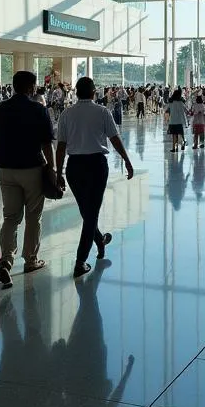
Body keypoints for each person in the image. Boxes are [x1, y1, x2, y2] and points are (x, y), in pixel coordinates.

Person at [0, 70, 56, 288]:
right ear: (31, 87)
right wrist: (53, 169)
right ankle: (30, 260)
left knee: (11, 217)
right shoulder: (38, 109)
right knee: (33, 217)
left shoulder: (0, 110)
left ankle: (6, 262)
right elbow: (47, 143)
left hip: (6, 169)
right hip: (32, 169)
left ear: (13, 86)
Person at [55, 77, 134, 279]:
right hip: (96, 165)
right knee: (91, 214)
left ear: (77, 92)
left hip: (74, 167)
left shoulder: (66, 113)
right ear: (93, 93)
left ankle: (99, 240)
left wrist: (58, 172)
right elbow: (114, 139)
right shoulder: (102, 112)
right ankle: (80, 261)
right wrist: (126, 159)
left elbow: (61, 145)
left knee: (87, 211)